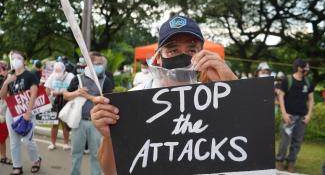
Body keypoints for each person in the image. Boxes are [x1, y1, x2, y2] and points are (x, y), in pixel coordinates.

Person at [90, 15, 238, 175]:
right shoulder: (132, 102)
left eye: (191, 50)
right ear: (159, 57)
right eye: (173, 50)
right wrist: (109, 137)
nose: (182, 57)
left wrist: (236, 90)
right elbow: (110, 171)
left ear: (202, 55)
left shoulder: (212, 101)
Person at [64, 52, 114, 175]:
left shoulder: (106, 81)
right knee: (76, 153)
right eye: (97, 64)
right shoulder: (79, 78)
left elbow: (108, 101)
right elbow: (65, 95)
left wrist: (89, 97)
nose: (100, 66)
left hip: (97, 124)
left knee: (97, 155)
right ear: (88, 64)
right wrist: (76, 93)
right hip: (79, 121)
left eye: (102, 64)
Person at [0, 50, 42, 175]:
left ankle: (36, 160)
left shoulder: (30, 75)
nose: (15, 60)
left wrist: (28, 113)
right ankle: (17, 167)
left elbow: (34, 95)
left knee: (28, 140)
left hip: (27, 111)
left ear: (24, 61)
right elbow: (3, 96)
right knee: (14, 141)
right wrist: (7, 82)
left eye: (18, 58)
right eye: (13, 58)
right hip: (11, 112)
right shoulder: (9, 76)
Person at [275, 58, 314, 173]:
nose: (308, 69)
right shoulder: (287, 80)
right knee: (285, 141)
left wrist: (309, 115)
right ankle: (279, 161)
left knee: (297, 142)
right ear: (299, 67)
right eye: (306, 67)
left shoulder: (308, 81)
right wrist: (284, 113)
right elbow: (281, 96)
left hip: (302, 118)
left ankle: (291, 162)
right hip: (289, 117)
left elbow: (311, 100)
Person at [44, 62, 75, 151]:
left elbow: (72, 89)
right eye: (56, 70)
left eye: (59, 70)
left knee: (65, 123)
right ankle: (53, 143)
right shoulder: (52, 76)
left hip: (66, 101)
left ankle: (65, 143)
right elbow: (47, 88)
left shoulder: (70, 76)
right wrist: (50, 93)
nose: (57, 72)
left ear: (64, 69)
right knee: (54, 123)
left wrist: (58, 92)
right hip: (55, 102)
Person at [0, 60, 12, 166]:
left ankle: (3, 157)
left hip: (3, 110)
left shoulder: (5, 79)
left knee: (2, 136)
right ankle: (3, 156)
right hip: (2, 110)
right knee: (2, 136)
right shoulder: (3, 80)